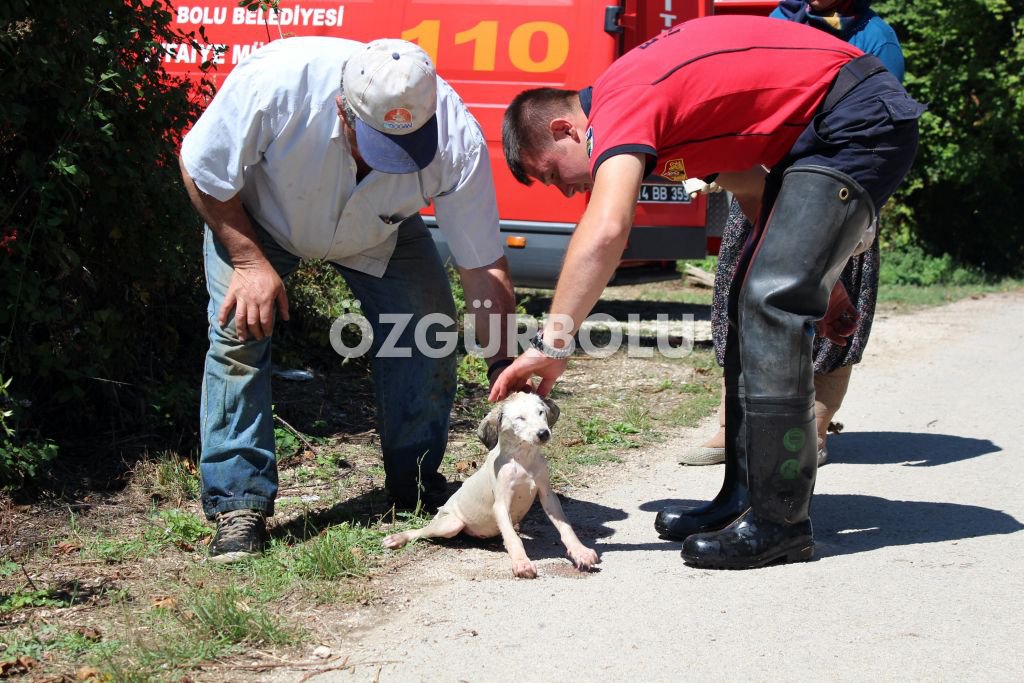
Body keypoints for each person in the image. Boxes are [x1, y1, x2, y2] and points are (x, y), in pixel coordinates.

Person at [492, 14, 924, 569]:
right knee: (753, 293)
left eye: (552, 173)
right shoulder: (665, 125)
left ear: (564, 130)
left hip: (858, 118)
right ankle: (745, 496)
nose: (564, 188)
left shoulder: (621, 98)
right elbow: (751, 189)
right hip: (822, 132)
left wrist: (552, 343)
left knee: (768, 302)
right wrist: (827, 283)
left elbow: (606, 229)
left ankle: (780, 520)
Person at [180, 37, 525, 563]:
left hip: (378, 231)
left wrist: (503, 363)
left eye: (408, 145)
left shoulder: (458, 137)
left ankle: (413, 480)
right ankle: (237, 503)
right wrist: (249, 262)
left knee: (427, 331)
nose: (392, 161)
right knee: (238, 336)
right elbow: (202, 170)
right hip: (259, 221)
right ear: (344, 108)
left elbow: (482, 266)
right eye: (380, 143)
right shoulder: (276, 86)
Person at [677, 0, 906, 471]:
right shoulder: (780, 22)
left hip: (834, 193)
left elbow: (886, 123)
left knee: (829, 319)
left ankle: (815, 428)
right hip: (764, 183)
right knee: (742, 303)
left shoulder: (876, 36)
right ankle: (732, 422)